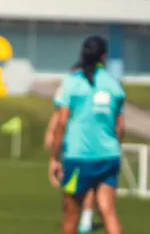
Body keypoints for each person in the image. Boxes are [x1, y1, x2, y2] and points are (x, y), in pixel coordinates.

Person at [49, 36, 125, 234]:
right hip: (109, 156)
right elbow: (120, 129)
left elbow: (62, 122)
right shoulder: (113, 83)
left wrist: (54, 157)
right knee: (108, 212)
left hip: (78, 157)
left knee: (71, 214)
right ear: (104, 57)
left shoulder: (73, 82)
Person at [44, 60, 98, 234]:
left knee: (84, 187)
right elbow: (58, 115)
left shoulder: (91, 88)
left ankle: (85, 218)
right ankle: (80, 219)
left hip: (81, 147)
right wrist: (50, 132)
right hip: (73, 146)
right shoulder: (69, 88)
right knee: (74, 187)